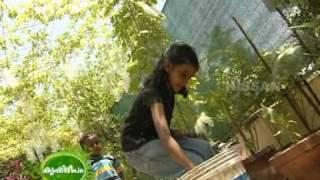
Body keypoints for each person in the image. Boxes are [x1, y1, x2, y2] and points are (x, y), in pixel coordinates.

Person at [121, 42, 214, 178]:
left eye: (189, 78)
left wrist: (176, 133)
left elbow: (157, 130)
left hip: (153, 140)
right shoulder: (152, 93)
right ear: (168, 66)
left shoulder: (168, 90)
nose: (185, 82)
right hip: (137, 150)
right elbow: (165, 137)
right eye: (183, 75)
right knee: (195, 163)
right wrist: (191, 167)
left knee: (205, 148)